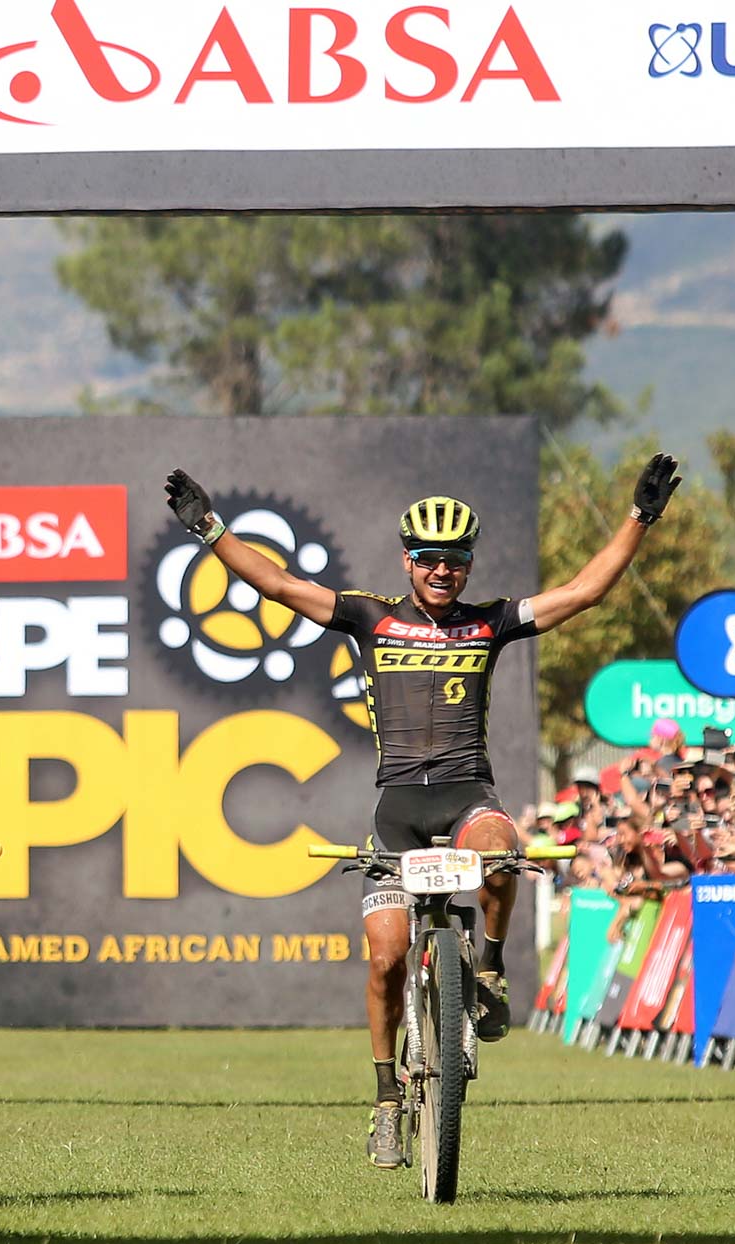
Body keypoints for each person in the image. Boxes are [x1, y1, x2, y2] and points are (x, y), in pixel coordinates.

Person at [162, 453, 682, 1169]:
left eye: (456, 560)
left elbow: (584, 592)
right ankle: (384, 1102)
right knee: (386, 958)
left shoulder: (491, 622)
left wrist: (639, 517)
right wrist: (212, 530)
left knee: (503, 848)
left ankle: (490, 973)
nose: (443, 571)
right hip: (399, 812)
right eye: (429, 559)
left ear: (468, 564)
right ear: (408, 561)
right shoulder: (370, 619)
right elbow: (278, 584)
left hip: (470, 794)